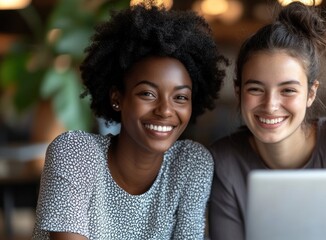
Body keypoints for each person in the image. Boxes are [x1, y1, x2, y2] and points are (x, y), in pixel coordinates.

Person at [32, 2, 228, 239]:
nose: (166, 110)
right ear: (117, 98)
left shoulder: (190, 164)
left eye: (180, 97)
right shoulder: (76, 153)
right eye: (147, 93)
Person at [208, 2, 326, 240]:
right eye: (255, 89)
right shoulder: (224, 162)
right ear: (238, 92)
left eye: (288, 90)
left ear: (311, 93)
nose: (271, 105)